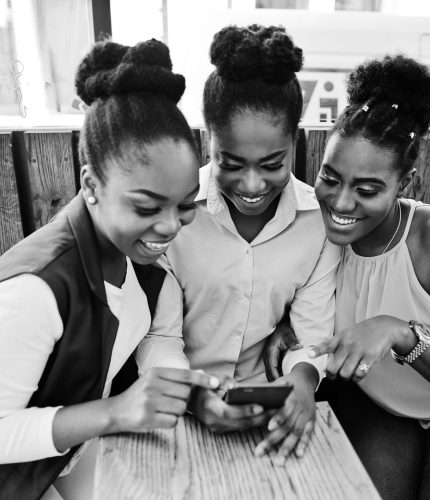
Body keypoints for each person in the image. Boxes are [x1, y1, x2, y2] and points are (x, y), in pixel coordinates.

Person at [265, 54, 430, 499]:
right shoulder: (316, 231)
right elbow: (312, 302)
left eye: (367, 190)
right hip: (380, 408)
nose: (341, 203)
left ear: (404, 182)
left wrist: (401, 334)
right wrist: (286, 326)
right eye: (330, 178)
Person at [0, 38, 220, 500]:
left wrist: (181, 387)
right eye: (146, 206)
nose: (169, 226)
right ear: (91, 184)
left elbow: (158, 336)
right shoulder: (35, 291)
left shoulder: (139, 256)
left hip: (64, 452)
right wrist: (115, 412)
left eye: (184, 205)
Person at [137, 24, 341, 465]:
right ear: (207, 138)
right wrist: (194, 396)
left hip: (271, 406)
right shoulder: (177, 217)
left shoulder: (316, 225)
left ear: (294, 142)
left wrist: (302, 383)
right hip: (176, 406)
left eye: (272, 164)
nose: (252, 185)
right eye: (231, 163)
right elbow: (160, 336)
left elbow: (311, 336)